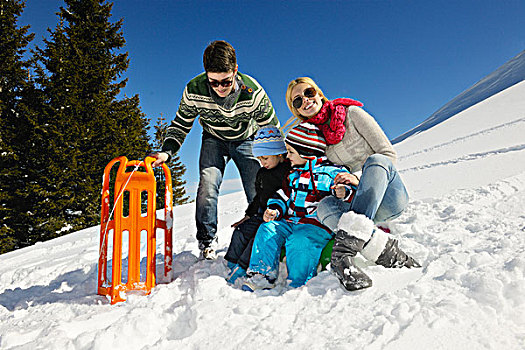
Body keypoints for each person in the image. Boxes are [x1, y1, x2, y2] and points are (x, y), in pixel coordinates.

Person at [284, 77, 419, 291]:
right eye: (298, 101)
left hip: (385, 196)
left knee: (376, 160)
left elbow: (387, 153)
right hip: (355, 203)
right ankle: (376, 254)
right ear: (297, 110)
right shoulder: (315, 138)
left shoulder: (351, 114)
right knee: (325, 205)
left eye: (308, 93)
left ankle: (345, 251)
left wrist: (358, 179)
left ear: (319, 93)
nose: (306, 101)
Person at [151, 41, 279, 259]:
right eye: (214, 82)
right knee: (208, 184)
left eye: (226, 82)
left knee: (257, 184)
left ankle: (264, 233)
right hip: (214, 139)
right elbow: (181, 124)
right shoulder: (194, 90)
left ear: (235, 71)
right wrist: (167, 151)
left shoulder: (253, 92)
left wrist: (278, 158)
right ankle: (207, 241)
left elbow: (271, 128)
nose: (220, 88)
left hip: (246, 138)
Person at [242, 123, 356, 291]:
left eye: (291, 152)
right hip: (290, 221)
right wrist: (275, 208)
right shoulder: (293, 175)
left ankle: (298, 282)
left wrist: (344, 192)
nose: (287, 157)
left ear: (307, 152)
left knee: (300, 241)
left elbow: (351, 195)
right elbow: (283, 195)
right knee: (267, 229)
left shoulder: (332, 173)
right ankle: (261, 275)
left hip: (315, 225)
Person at [224, 126, 291, 284]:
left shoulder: (288, 170)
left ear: (279, 153)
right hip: (262, 213)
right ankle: (231, 262)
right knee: (241, 230)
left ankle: (243, 266)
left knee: (257, 237)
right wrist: (248, 215)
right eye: (260, 159)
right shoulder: (262, 173)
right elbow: (258, 197)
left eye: (265, 158)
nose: (262, 162)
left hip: (280, 216)